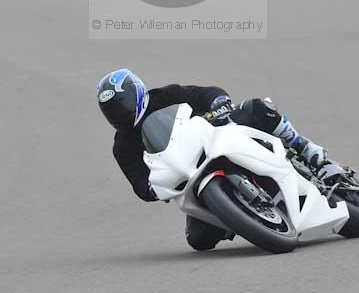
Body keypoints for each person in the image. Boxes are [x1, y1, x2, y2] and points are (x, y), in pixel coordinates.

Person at [97, 68, 328, 251]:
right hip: (191, 175)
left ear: (136, 92)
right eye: (111, 111)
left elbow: (205, 93)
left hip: (216, 138)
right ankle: (238, 215)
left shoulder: (166, 96)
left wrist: (218, 103)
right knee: (198, 241)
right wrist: (154, 188)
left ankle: (304, 147)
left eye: (121, 105)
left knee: (258, 108)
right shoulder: (123, 147)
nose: (118, 114)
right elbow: (139, 184)